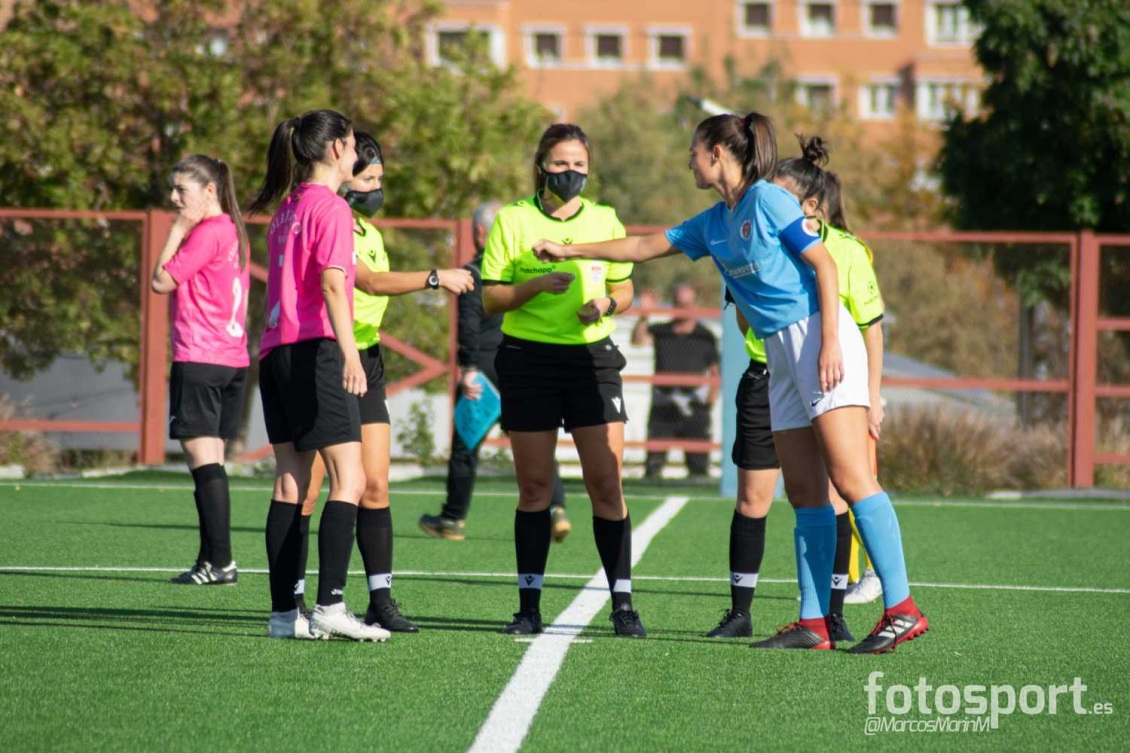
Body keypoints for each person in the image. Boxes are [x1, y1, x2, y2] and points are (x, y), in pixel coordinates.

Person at [534, 112, 928, 653]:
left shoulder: (768, 199)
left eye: (694, 150)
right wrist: (569, 249)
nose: (688, 160)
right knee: (806, 493)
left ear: (718, 152)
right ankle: (812, 624)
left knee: (850, 478)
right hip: (778, 355)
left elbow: (824, 267)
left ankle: (902, 609)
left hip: (817, 337)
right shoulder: (715, 221)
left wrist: (832, 341)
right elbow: (643, 247)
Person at [295, 132, 474, 633]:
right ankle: (294, 602)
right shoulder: (332, 218)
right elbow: (367, 282)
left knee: (375, 484)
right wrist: (437, 277)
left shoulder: (368, 229)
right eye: (369, 178)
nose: (376, 188)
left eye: (380, 180)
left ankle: (381, 599)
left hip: (366, 359)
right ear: (345, 174)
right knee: (306, 490)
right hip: (329, 356)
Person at [482, 123, 646, 637]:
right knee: (534, 488)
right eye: (560, 164)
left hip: (592, 360)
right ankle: (528, 608)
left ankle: (623, 606)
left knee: (607, 484)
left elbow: (626, 290)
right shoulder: (511, 220)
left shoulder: (605, 219)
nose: (570, 173)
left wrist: (607, 303)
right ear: (541, 166)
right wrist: (532, 286)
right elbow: (490, 299)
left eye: (578, 165)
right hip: (527, 360)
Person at [246, 109, 388, 642]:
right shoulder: (329, 207)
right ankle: (330, 605)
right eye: (353, 147)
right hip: (316, 350)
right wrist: (350, 355)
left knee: (289, 482)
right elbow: (333, 285)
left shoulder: (287, 208)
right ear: (335, 149)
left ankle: (284, 616)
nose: (357, 156)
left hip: (275, 351)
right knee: (348, 479)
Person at [418, 201, 572, 542]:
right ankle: (557, 508)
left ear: (479, 232)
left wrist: (468, 368)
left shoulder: (473, 272)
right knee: (538, 443)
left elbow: (468, 325)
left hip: (486, 370)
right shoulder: (525, 270)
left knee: (465, 447)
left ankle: (453, 518)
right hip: (523, 366)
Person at [151, 154, 250, 587]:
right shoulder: (232, 230)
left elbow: (161, 280)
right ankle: (212, 560)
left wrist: (176, 229)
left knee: (205, 465)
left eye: (181, 191)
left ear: (209, 191)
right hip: (231, 360)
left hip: (201, 358)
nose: (174, 198)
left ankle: (220, 562)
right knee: (212, 464)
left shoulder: (207, 232)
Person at [632, 283, 719, 478]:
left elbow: (715, 372)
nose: (682, 308)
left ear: (694, 305)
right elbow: (638, 341)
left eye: (686, 304)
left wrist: (708, 404)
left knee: (699, 470)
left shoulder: (705, 335)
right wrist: (644, 315)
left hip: (695, 407)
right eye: (679, 303)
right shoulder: (661, 331)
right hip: (663, 405)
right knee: (653, 468)